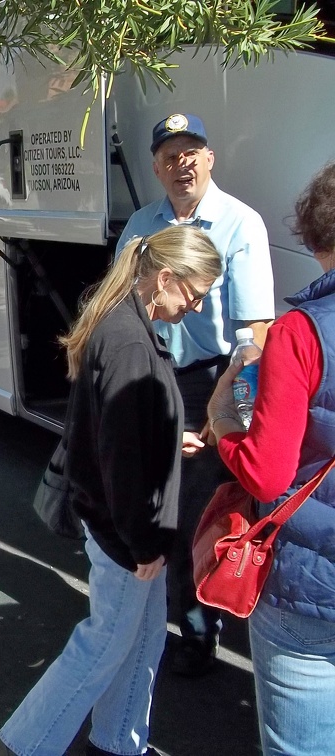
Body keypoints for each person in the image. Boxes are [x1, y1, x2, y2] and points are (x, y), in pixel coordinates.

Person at [0, 225, 222, 756]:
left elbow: (119, 433)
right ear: (165, 278)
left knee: (142, 640)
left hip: (124, 530)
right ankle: (22, 746)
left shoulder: (121, 324)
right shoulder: (128, 344)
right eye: (194, 294)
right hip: (127, 536)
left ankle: (120, 742)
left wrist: (167, 435)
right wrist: (143, 544)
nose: (196, 307)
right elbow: (119, 458)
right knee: (103, 646)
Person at [116, 112, 275, 677]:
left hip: (209, 383)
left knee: (196, 516)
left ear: (210, 159)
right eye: (168, 156)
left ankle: (198, 633)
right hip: (148, 377)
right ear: (155, 166)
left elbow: (255, 333)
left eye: (191, 153)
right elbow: (117, 306)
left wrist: (227, 409)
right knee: (149, 504)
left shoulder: (240, 224)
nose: (180, 164)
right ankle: (145, 623)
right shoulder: (141, 225)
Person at [205, 162, 335, 756]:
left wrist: (223, 420)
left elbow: (266, 472)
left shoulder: (301, 333)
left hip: (313, 589)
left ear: (314, 234)